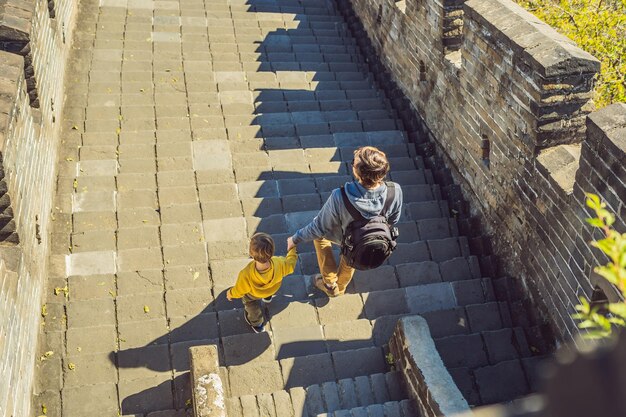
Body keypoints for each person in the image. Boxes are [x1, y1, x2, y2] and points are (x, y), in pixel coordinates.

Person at [287, 146, 403, 297]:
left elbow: (318, 227)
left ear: (356, 172)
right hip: (363, 242)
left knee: (320, 236)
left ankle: (329, 283)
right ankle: (339, 287)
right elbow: (393, 219)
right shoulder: (395, 191)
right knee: (351, 255)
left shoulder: (340, 196)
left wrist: (295, 239)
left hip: (342, 236)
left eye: (353, 162)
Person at [227, 232, 297, 333]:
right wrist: (292, 248)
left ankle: (257, 323)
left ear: (251, 254)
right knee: (269, 289)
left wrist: (230, 293)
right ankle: (268, 297)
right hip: (273, 288)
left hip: (253, 295)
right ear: (272, 252)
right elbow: (291, 264)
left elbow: (239, 290)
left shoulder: (246, 274)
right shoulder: (279, 263)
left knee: (252, 307)